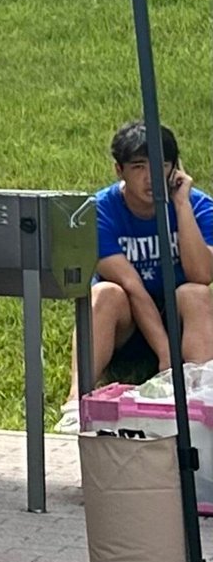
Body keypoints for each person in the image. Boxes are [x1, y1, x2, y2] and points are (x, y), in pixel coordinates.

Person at [87, 121, 213, 383]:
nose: (151, 177)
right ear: (119, 170)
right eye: (139, 167)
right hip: (126, 320)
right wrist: (166, 354)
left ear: (174, 168)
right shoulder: (99, 211)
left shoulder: (199, 206)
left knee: (196, 293)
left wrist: (181, 206)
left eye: (162, 165)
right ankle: (76, 400)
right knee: (105, 293)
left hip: (177, 318)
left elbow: (202, 275)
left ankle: (202, 391)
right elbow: (131, 285)